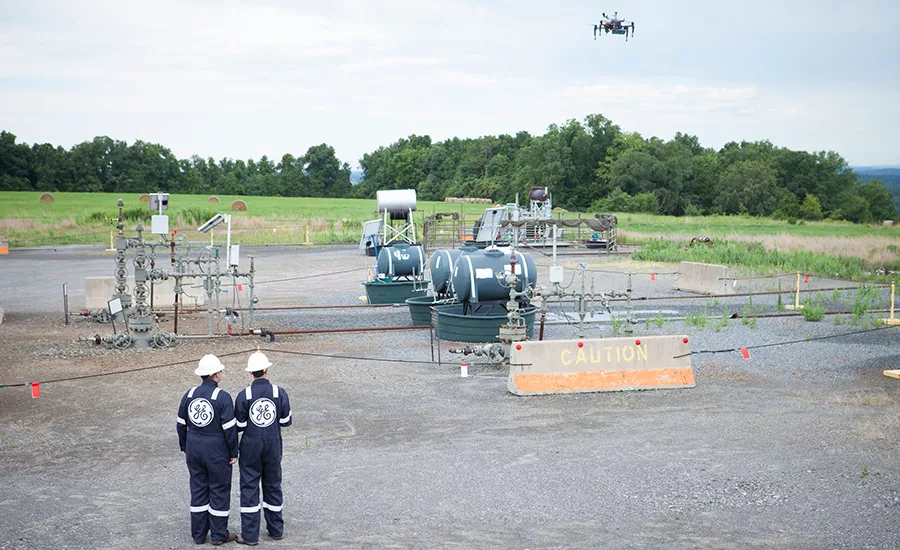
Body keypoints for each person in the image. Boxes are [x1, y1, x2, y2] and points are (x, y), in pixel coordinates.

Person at [177, 354, 239, 545]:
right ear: (216, 375)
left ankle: (198, 534)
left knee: (198, 489)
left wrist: (184, 446)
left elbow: (180, 424)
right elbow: (230, 429)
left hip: (194, 447)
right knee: (219, 489)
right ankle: (219, 535)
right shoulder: (222, 397)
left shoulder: (188, 394)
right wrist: (233, 453)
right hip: (216, 449)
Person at [234, 351, 292, 545]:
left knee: (249, 487)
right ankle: (276, 530)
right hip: (273, 444)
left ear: (251, 373)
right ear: (266, 369)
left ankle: (250, 536)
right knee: (273, 485)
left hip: (250, 446)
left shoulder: (244, 395)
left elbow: (240, 426)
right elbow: (286, 421)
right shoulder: (279, 392)